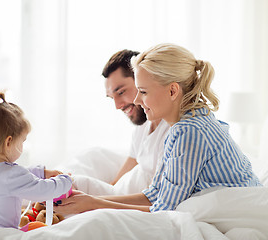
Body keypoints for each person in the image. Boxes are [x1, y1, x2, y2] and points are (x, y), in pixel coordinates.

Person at [55, 43, 261, 214]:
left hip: (242, 210)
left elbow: (164, 209)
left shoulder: (190, 132)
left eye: (143, 91)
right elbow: (155, 193)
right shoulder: (182, 126)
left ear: (172, 91)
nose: (137, 99)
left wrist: (95, 205)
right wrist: (93, 201)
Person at [71, 50, 170, 195]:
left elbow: (158, 197)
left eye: (121, 92)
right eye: (112, 97)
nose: (117, 106)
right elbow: (122, 175)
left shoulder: (174, 130)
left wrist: (96, 201)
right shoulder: (143, 126)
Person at [0, 92, 72, 229]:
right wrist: (65, 180)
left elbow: (18, 174)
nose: (23, 146)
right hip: (1, 235)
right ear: (8, 142)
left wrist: (41, 172)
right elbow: (42, 190)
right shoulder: (10, 175)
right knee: (39, 228)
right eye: (22, 141)